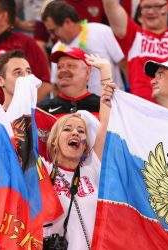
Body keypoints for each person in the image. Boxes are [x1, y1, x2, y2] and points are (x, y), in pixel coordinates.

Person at [42, 54, 114, 250]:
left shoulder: (92, 169)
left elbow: (105, 125)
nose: (75, 133)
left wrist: (105, 71)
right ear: (54, 141)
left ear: (84, 144)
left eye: (80, 131)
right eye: (67, 129)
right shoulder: (43, 171)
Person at [41, 1, 126, 96]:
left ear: (67, 22)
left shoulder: (101, 32)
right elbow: (56, 86)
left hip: (111, 103)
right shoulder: (56, 48)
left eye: (53, 30)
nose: (52, 36)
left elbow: (124, 64)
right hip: (76, 108)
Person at [0, 49, 57, 159]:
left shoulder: (50, 121)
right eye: (18, 73)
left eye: (28, 72)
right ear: (0, 81)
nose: (26, 78)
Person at [37, 47, 100, 118]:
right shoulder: (41, 110)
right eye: (59, 67)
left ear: (87, 72)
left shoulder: (102, 106)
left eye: (70, 66)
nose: (63, 70)